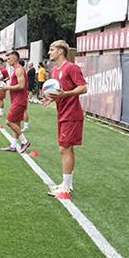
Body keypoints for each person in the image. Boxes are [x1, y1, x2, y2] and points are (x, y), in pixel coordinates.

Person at [43, 40, 87, 197]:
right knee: (66, 148)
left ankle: (66, 187)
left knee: (64, 148)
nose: (50, 52)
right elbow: (59, 92)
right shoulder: (55, 71)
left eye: (52, 49)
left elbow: (83, 87)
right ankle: (66, 184)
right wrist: (52, 99)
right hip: (62, 113)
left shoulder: (71, 68)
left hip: (72, 114)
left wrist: (65, 95)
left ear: (61, 51)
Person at [0, 51, 31, 153]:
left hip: (19, 100)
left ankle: (25, 142)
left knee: (10, 122)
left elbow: (21, 85)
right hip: (17, 99)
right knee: (16, 123)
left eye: (9, 59)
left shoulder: (19, 70)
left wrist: (6, 87)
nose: (7, 61)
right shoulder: (16, 70)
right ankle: (13, 145)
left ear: (15, 59)